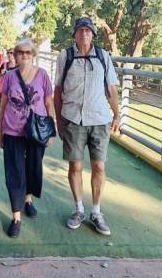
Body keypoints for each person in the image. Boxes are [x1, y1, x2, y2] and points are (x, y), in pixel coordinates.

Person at [53, 17, 119, 236]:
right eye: (80, 30)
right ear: (75, 34)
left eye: (88, 31)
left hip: (99, 118)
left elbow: (111, 88)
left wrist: (117, 115)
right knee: (76, 166)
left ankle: (97, 211)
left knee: (99, 166)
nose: (84, 34)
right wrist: (59, 121)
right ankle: (79, 209)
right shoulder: (66, 56)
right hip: (73, 118)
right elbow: (58, 90)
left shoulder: (103, 56)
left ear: (93, 35)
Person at [0, 39, 55, 238]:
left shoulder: (43, 75)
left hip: (36, 131)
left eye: (28, 52)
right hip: (13, 130)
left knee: (32, 167)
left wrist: (51, 129)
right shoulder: (10, 77)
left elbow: (48, 102)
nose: (24, 55)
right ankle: (16, 216)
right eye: (20, 52)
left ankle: (28, 199)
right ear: (15, 54)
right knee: (14, 172)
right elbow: (2, 105)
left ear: (33, 54)